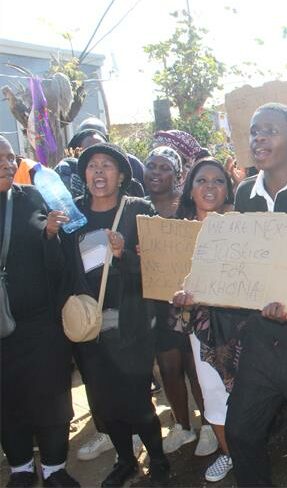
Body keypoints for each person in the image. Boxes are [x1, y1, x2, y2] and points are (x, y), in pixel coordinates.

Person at [173, 102, 287, 487]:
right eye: (255, 130)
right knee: (241, 433)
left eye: (270, 130)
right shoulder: (245, 195)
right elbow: (242, 268)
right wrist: (197, 292)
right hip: (261, 341)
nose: (259, 137)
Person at [67, 143, 170, 487]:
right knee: (104, 402)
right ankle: (125, 460)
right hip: (89, 325)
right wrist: (52, 233)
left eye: (106, 166)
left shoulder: (138, 210)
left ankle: (158, 460)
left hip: (131, 324)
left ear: (121, 175)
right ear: (84, 175)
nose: (98, 172)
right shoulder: (74, 214)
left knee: (137, 399)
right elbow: (60, 266)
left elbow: (158, 267)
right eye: (92, 166)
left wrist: (125, 253)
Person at [0, 136, 79, 487]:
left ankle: (53, 468)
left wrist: (51, 235)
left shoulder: (32, 196)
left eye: (9, 156)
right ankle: (19, 468)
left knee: (51, 397)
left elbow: (56, 266)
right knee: (6, 401)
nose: (4, 163)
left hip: (40, 326)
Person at [142, 146, 211, 456]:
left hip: (192, 302)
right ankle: (183, 427)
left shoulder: (188, 206)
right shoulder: (136, 209)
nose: (156, 172)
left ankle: (210, 425)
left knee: (197, 367)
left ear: (179, 174)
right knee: (169, 368)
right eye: (151, 166)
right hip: (157, 304)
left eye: (165, 167)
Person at [171, 158, 237, 482]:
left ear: (228, 189)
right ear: (190, 189)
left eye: (218, 180)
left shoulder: (244, 225)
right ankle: (229, 454)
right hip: (202, 327)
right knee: (213, 394)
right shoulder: (175, 232)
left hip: (244, 326)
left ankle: (250, 453)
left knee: (249, 393)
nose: (210, 186)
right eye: (201, 180)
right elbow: (165, 281)